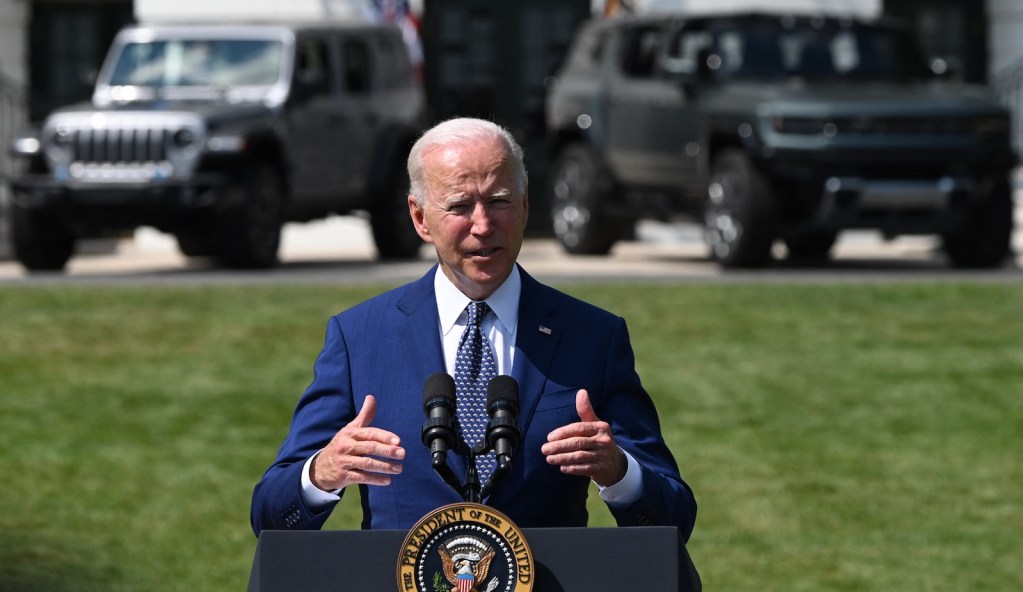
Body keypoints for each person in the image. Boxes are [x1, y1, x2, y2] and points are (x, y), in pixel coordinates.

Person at [250, 117, 696, 540]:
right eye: (460, 206)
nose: (483, 226)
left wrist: (619, 472)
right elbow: (270, 514)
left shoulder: (593, 336)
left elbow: (673, 518)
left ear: (524, 205)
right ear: (420, 217)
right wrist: (322, 472)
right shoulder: (360, 338)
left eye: (499, 201)